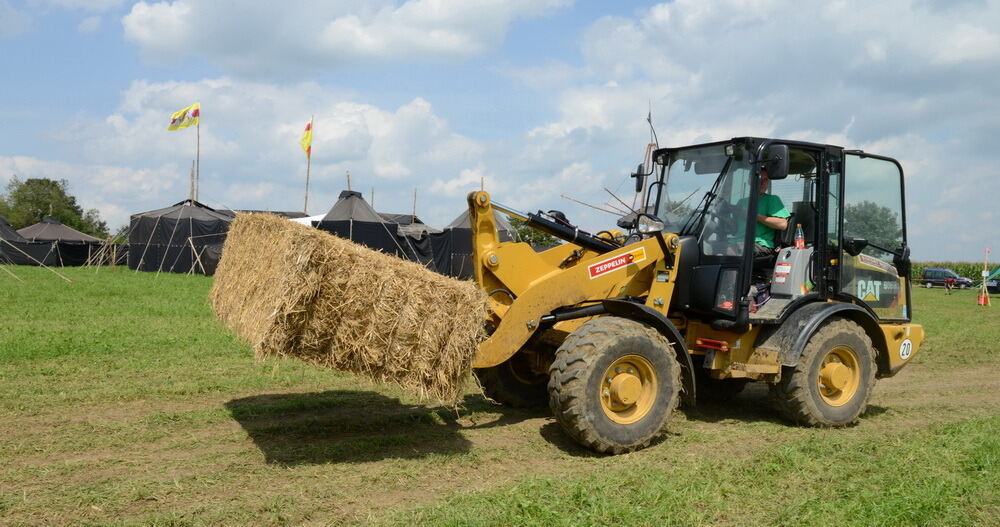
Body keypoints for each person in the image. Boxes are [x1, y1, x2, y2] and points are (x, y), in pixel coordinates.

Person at [752, 167, 791, 257]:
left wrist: (755, 216)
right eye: (759, 179)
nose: (762, 183)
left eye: (765, 180)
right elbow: (734, 229)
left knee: (731, 251)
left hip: (760, 245)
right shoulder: (741, 201)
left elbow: (782, 224)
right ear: (750, 181)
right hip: (737, 242)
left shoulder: (772, 200)